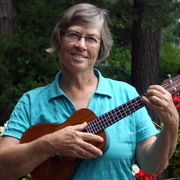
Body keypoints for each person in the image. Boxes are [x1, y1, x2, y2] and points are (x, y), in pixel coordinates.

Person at [0, 3, 179, 180]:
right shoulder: (31, 101)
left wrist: (171, 124)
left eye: (91, 38)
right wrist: (50, 143)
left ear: (101, 48)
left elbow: (153, 165)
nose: (81, 45)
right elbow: (3, 168)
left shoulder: (126, 94)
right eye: (73, 35)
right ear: (59, 39)